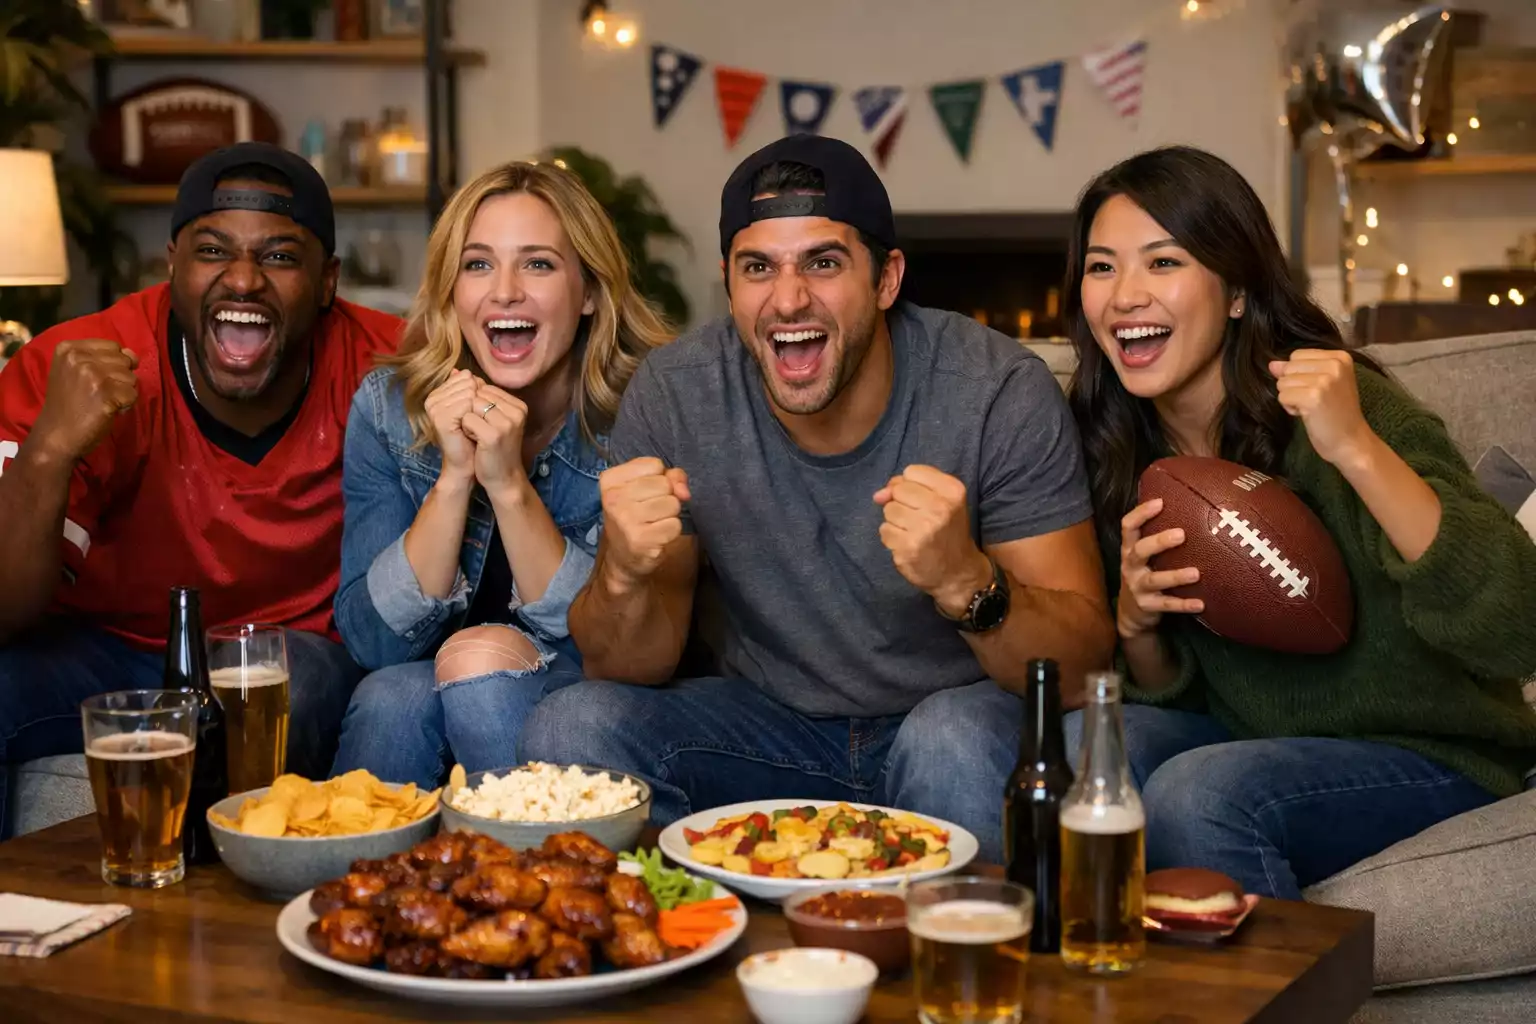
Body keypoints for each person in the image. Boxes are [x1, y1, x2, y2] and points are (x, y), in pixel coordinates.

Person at [517, 135, 1116, 861]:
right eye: (758, 268)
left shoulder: (995, 391)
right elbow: (628, 666)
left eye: (823, 263)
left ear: (887, 279)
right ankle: (683, 950)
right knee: (572, 724)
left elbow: (1082, 668)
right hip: (769, 728)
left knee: (949, 740)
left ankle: (963, 968)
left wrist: (970, 582)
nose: (788, 298)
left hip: (949, 716)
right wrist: (620, 571)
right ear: (729, 283)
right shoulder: (679, 392)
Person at [1064, 145, 1536, 899]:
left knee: (1200, 794)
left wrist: (1354, 447)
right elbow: (1184, 700)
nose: (1124, 296)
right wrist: (1138, 629)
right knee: (1080, 750)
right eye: (1100, 267)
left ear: (1239, 292)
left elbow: (1519, 628)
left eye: (1163, 262)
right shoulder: (1115, 449)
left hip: (1433, 754)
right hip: (1261, 746)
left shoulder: (1350, 409)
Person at [0, 143, 402, 832]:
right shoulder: (81, 364)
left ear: (328, 280)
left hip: (292, 655)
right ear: (173, 265)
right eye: (213, 251)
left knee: (282, 688)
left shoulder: (390, 366)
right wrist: (50, 451)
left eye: (279, 256)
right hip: (111, 648)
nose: (243, 281)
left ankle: (227, 921)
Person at [329, 160, 670, 787]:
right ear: (450, 291)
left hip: (586, 695)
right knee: (390, 698)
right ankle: (362, 879)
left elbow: (603, 648)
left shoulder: (642, 414)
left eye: (537, 264)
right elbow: (374, 644)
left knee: (479, 666)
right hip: (427, 682)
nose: (504, 291)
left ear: (590, 291)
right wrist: (455, 476)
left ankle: (533, 873)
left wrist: (509, 483)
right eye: (478, 264)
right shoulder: (389, 408)